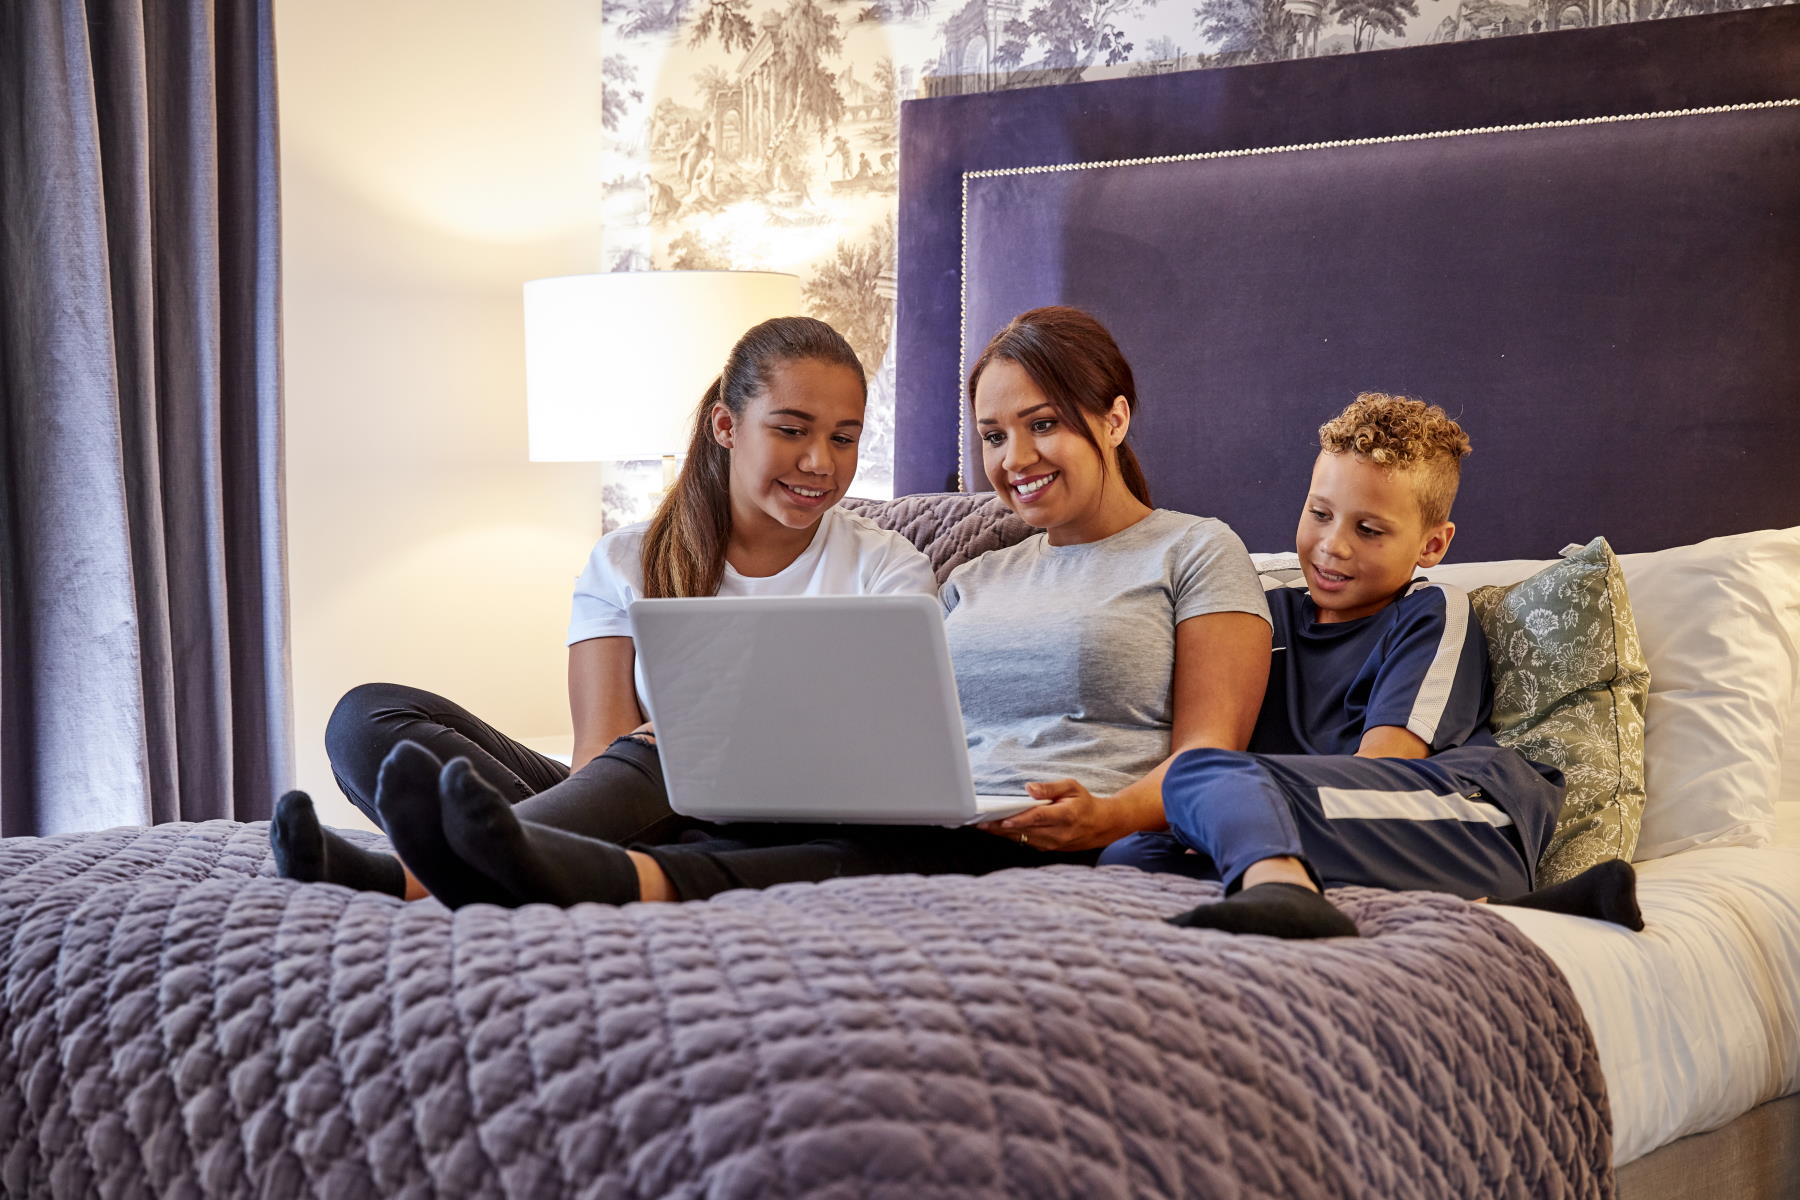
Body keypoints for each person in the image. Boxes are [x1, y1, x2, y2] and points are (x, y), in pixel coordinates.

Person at [329, 305, 1275, 908]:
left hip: (1035, 831)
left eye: (1044, 424)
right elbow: (901, 722)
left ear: (1114, 418)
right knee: (672, 768)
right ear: (727, 427)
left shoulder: (1196, 549)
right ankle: (478, 860)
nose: (1013, 458)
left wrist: (1110, 816)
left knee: (802, 836)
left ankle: (435, 870)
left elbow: (1209, 761)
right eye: (992, 434)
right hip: (925, 811)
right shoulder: (979, 571)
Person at [270, 316, 937, 901]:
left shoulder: (889, 569)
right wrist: (663, 749)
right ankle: (549, 855)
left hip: (793, 820)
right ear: (726, 426)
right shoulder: (625, 561)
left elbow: (895, 753)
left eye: (845, 439)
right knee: (368, 716)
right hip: (639, 799)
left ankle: (412, 876)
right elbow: (597, 755)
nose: (820, 461)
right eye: (792, 430)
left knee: (672, 748)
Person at [1109, 393, 1642, 939]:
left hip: (1459, 823)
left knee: (1205, 773)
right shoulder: (1261, 614)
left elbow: (1385, 768)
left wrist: (1234, 799)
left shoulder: (1430, 612)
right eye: (1320, 514)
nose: (1332, 546)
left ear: (1432, 544)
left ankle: (1288, 890)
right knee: (1129, 854)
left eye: (1369, 530)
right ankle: (1522, 908)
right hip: (1321, 827)